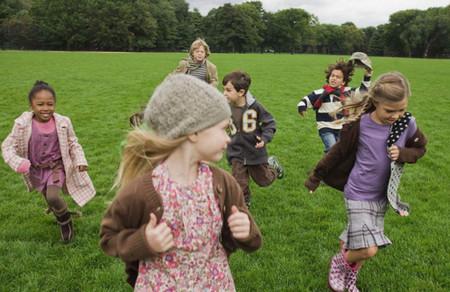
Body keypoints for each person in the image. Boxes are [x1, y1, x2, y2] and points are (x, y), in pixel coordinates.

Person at [100, 74, 262, 290]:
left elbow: (252, 240)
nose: (228, 138)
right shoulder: (141, 190)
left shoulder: (223, 183)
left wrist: (245, 231)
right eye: (223, 128)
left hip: (214, 284)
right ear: (193, 132)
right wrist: (144, 241)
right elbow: (109, 238)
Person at [304, 72, 427, 291]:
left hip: (382, 195)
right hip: (358, 191)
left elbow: (420, 149)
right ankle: (339, 262)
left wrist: (403, 153)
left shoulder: (407, 123)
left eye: (401, 109)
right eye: (390, 110)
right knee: (368, 248)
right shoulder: (360, 124)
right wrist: (316, 177)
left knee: (355, 241)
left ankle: (350, 277)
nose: (396, 115)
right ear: (376, 102)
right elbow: (337, 153)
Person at [1, 81, 95, 243]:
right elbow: (7, 145)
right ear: (31, 106)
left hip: (56, 167)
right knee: (48, 197)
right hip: (36, 170)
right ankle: (60, 213)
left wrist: (80, 160)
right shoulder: (22, 125)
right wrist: (18, 163)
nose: (46, 108)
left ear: (55, 104)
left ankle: (66, 223)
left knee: (53, 196)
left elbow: (73, 143)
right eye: (40, 104)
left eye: (50, 104)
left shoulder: (63, 122)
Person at [223, 71, 284, 208]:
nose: (224, 93)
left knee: (264, 181)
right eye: (224, 89)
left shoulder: (255, 107)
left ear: (241, 92)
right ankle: (244, 204)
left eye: (228, 90)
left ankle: (273, 166)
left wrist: (264, 138)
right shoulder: (225, 106)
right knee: (239, 182)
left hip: (254, 151)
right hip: (236, 152)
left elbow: (270, 123)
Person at [297, 58, 372, 152]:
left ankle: (328, 166)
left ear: (343, 82)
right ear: (328, 78)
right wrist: (301, 108)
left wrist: (367, 75)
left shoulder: (347, 92)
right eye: (332, 76)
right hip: (325, 127)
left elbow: (363, 91)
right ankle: (328, 165)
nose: (334, 78)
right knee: (332, 149)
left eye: (338, 77)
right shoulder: (319, 93)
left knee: (339, 152)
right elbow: (305, 100)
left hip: (342, 127)